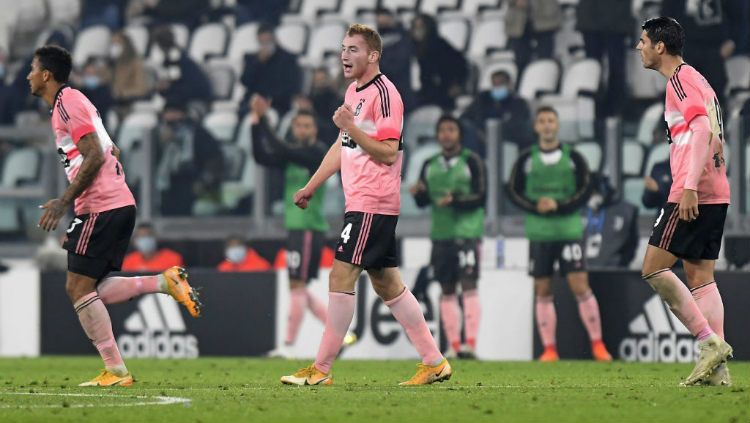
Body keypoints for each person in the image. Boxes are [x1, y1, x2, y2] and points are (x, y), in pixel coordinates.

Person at [281, 24, 450, 386]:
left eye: (354, 49)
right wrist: (312, 184)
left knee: (340, 275)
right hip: (360, 201)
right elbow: (344, 146)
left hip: (373, 202)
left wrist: (352, 129)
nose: (345, 55)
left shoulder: (385, 93)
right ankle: (434, 362)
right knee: (388, 285)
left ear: (373, 55)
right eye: (343, 48)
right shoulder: (353, 92)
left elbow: (389, 152)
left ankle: (321, 369)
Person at [29, 45, 201, 387]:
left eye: (33, 69)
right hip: (114, 203)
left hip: (101, 205)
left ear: (46, 74)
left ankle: (117, 370)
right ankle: (163, 283)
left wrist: (64, 201)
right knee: (91, 288)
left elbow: (94, 155)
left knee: (77, 287)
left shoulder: (68, 102)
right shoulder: (76, 103)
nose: (28, 76)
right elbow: (111, 148)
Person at [636, 17, 732, 386]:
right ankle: (718, 371)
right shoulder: (698, 78)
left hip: (693, 189)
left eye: (643, 41)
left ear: (660, 46)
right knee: (700, 276)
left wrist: (689, 186)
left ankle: (709, 343)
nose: (639, 47)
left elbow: (702, 129)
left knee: (653, 267)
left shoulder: (680, 80)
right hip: (717, 187)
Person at [507, 105, 612, 362]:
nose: (546, 125)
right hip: (540, 232)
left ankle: (598, 345)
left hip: (568, 230)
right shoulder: (526, 159)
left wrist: (559, 205)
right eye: (542, 121)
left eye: (551, 121)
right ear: (536, 127)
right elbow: (511, 191)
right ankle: (549, 349)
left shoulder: (574, 158)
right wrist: (535, 206)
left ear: (557, 125)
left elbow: (586, 190)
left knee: (580, 284)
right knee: (542, 288)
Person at [249, 99, 332, 357]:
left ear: (315, 130)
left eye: (307, 125)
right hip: (296, 226)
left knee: (296, 284)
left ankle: (287, 346)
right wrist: (254, 126)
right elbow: (262, 156)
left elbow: (280, 148)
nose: (302, 130)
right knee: (299, 286)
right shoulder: (292, 154)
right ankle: (340, 333)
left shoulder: (317, 153)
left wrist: (263, 120)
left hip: (308, 226)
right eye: (298, 126)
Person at [410, 115, 486, 359]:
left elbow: (481, 196)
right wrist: (418, 194)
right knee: (447, 289)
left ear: (459, 134)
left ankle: (470, 344)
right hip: (441, 234)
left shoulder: (472, 162)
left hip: (467, 233)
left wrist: (456, 200)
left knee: (469, 285)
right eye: (442, 130)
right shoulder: (429, 164)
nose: (446, 134)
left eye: (451, 129)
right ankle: (454, 346)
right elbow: (423, 202)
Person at [576, 0, 633, 116]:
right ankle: (611, 110)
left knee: (597, 69)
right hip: (609, 17)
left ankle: (600, 110)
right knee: (602, 68)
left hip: (597, 17)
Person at [239, 23, 302, 119]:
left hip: (277, 103)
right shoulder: (251, 59)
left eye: (268, 41)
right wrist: (258, 63)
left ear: (274, 39)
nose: (265, 45)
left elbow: (292, 86)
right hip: (255, 101)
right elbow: (245, 81)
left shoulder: (288, 59)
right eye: (262, 42)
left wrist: (270, 100)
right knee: (244, 111)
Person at [461, 70, 533, 148]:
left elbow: (519, 126)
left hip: (507, 142)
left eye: (501, 84)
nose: (497, 87)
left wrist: (494, 136)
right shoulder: (482, 99)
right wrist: (480, 133)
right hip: (480, 140)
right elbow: (466, 117)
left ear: (509, 85)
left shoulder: (519, 103)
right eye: (495, 84)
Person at [411, 14, 468, 110]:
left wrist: (456, 83)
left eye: (421, 27)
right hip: (419, 94)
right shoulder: (408, 46)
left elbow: (461, 64)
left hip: (440, 94)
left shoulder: (440, 45)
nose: (418, 31)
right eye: (415, 27)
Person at [583, 173, 639, 268]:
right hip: (578, 271)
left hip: (614, 270)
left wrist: (622, 263)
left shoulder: (625, 210)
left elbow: (632, 242)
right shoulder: (576, 209)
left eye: (593, 193)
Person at [505, 0, 561, 73]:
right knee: (520, 59)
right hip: (518, 19)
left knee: (545, 58)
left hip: (545, 16)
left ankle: (543, 78)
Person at [109, 31, 151, 118]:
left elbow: (141, 88)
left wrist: (123, 92)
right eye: (113, 44)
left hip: (131, 103)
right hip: (115, 102)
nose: (115, 48)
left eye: (118, 44)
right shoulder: (114, 64)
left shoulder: (136, 63)